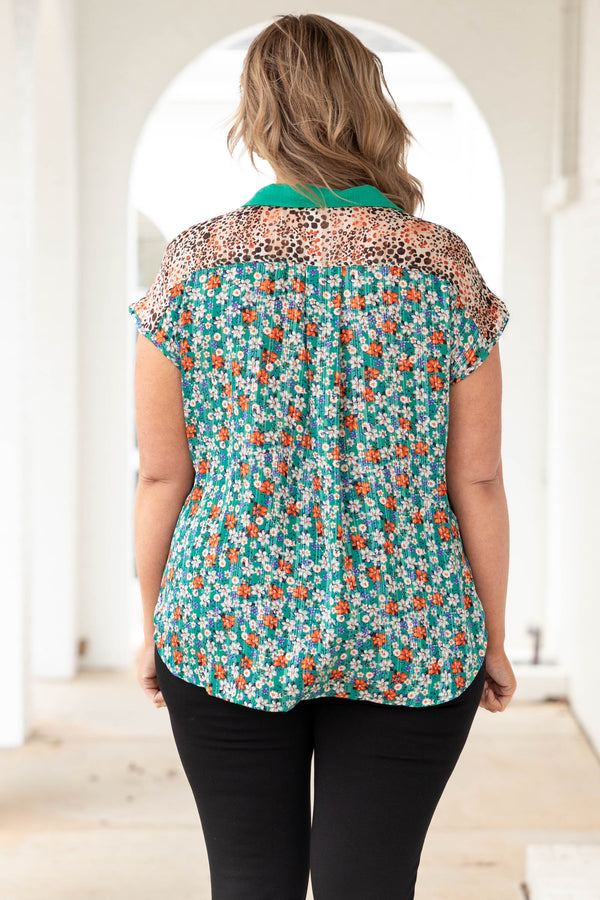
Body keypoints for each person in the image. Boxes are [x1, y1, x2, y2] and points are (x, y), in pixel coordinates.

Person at [129, 12, 517, 900]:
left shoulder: (194, 266)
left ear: (259, 118)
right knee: (369, 883)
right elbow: (478, 477)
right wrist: (493, 638)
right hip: (413, 628)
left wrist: (154, 624)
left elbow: (161, 473)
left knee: (249, 879)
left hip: (225, 620)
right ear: (370, 105)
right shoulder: (439, 267)